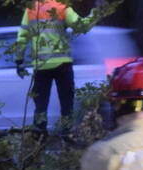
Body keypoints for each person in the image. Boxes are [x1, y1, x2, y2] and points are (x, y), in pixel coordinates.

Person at [13, 1, 104, 135]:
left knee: (40, 105)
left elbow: (22, 37)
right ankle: (66, 134)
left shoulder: (31, 9)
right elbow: (82, 27)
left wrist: (19, 60)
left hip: (41, 66)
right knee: (66, 103)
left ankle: (39, 134)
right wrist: (96, 13)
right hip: (63, 64)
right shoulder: (62, 8)